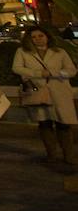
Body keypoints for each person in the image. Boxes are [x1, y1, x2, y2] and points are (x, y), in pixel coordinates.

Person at [12, 26, 77, 166]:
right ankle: (51, 155)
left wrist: (56, 73)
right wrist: (38, 73)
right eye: (34, 37)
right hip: (39, 91)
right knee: (45, 124)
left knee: (64, 124)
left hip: (59, 91)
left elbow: (71, 71)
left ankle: (69, 156)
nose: (37, 39)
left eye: (40, 36)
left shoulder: (60, 52)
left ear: (47, 36)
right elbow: (16, 68)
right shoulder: (23, 52)